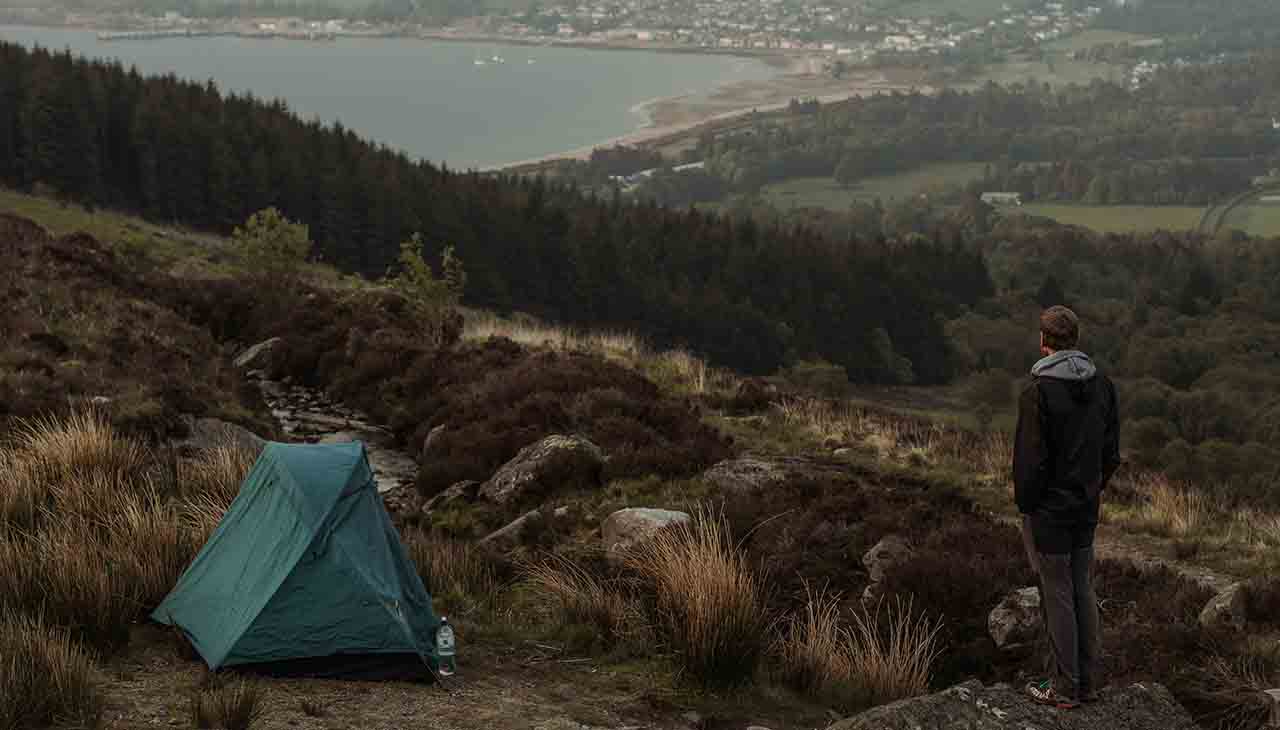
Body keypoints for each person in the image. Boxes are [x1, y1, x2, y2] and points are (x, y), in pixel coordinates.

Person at [1014, 305, 1121, 709]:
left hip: (1050, 511)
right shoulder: (1103, 383)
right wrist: (1092, 488)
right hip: (1086, 505)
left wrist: (1029, 506)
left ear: (1044, 342)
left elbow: (1030, 460)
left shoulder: (1036, 390)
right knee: (1082, 587)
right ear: (1075, 340)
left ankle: (1063, 688)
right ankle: (1088, 683)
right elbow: (1111, 450)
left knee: (1056, 590)